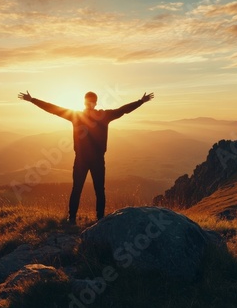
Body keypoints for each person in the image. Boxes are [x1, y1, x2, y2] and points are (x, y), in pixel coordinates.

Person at [18, 90, 154, 224]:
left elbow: (123, 110)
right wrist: (33, 100)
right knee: (88, 189)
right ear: (88, 103)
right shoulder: (99, 116)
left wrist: (140, 102)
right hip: (88, 160)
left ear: (93, 103)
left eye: (90, 102)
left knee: (90, 189)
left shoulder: (82, 116)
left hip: (87, 160)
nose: (89, 104)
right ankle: (83, 219)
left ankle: (87, 219)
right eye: (88, 102)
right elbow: (54, 109)